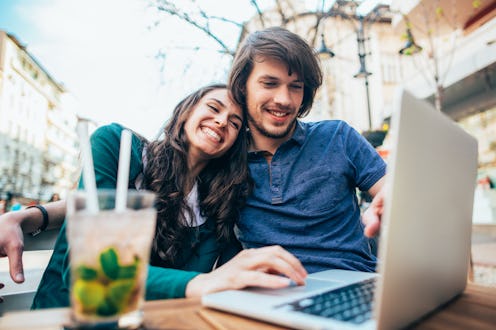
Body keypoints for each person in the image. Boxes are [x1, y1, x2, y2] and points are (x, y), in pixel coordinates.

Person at [0, 84, 306, 309]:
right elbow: (88, 270)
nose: (222, 121)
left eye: (235, 123)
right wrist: (203, 283)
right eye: (213, 108)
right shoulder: (118, 149)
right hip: (70, 319)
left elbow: (238, 271)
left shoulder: (215, 205)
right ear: (186, 111)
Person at [228, 27, 386, 274]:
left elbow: (392, 191)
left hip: (353, 284)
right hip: (270, 297)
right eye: (270, 83)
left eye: (295, 86)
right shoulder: (225, 159)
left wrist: (392, 200)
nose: (284, 99)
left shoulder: (338, 137)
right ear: (242, 87)